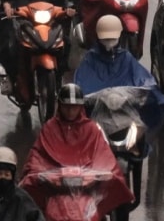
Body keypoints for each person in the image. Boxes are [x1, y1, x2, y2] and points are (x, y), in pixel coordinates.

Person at [20, 84, 135, 219]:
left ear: (80, 107)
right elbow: (37, 156)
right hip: (55, 188)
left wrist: (106, 173)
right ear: (60, 106)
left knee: (120, 186)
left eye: (74, 107)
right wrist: (36, 174)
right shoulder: (50, 128)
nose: (70, 111)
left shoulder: (91, 128)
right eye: (67, 107)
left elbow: (103, 155)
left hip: (87, 188)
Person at [73, 14, 164, 131]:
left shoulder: (126, 58)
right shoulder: (90, 60)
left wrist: (156, 96)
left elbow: (144, 81)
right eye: (106, 39)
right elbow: (80, 88)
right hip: (97, 121)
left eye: (112, 38)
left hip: (127, 117)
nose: (109, 42)